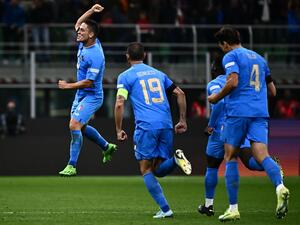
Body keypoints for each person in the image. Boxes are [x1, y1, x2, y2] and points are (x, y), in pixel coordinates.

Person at [208, 26, 290, 221]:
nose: (222, 50)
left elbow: (233, 82)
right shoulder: (260, 59)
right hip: (260, 113)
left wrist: (216, 98)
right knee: (262, 155)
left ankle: (233, 208)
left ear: (225, 43)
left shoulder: (231, 56)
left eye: (222, 47)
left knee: (230, 156)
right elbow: (273, 91)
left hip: (238, 113)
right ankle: (280, 186)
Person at [114, 42, 192, 219]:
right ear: (145, 55)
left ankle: (166, 210)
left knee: (145, 168)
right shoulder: (159, 74)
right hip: (165, 124)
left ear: (127, 56)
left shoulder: (125, 77)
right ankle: (175, 160)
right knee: (158, 169)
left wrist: (119, 129)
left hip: (146, 126)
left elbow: (120, 102)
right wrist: (182, 120)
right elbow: (180, 93)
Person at [58, 4, 117, 176]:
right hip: (81, 95)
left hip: (92, 96)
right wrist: (92, 10)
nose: (78, 32)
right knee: (81, 128)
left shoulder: (96, 55)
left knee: (74, 125)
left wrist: (68, 85)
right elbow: (78, 22)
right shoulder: (86, 41)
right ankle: (107, 147)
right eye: (79, 30)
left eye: (82, 31)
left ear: (90, 34)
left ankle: (72, 166)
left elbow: (89, 82)